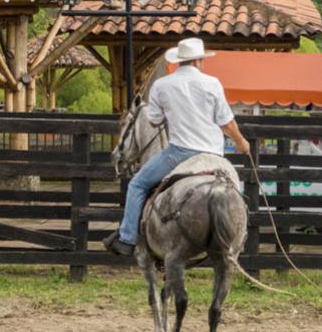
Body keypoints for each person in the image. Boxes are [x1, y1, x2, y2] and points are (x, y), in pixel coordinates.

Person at [104, 37, 251, 257]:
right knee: (234, 191)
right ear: (199, 61)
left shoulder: (162, 85)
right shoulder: (212, 84)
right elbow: (227, 123)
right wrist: (241, 143)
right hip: (213, 154)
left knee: (137, 185)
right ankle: (238, 235)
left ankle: (127, 238)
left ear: (180, 60)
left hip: (179, 153)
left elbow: (153, 120)